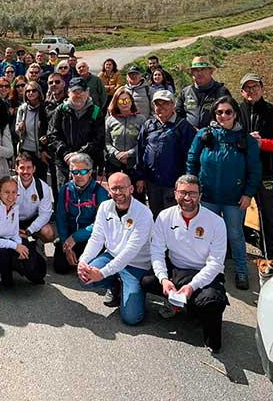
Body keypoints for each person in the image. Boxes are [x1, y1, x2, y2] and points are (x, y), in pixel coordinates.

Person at [142, 174, 228, 353]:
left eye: (192, 193)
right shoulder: (165, 216)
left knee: (212, 301)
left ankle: (195, 311)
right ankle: (179, 302)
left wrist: (192, 286)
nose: (187, 198)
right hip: (177, 269)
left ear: (200, 196)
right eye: (182, 193)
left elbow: (215, 263)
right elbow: (157, 251)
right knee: (147, 280)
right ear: (175, 194)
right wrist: (164, 279)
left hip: (204, 273)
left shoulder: (216, 222)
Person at [186, 95, 262, 290]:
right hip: (207, 197)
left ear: (235, 114)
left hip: (234, 199)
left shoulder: (246, 140)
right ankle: (205, 269)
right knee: (204, 234)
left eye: (228, 111)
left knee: (235, 234)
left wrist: (248, 194)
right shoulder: (204, 135)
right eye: (219, 112)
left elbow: (255, 170)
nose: (223, 115)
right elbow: (192, 162)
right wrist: (192, 189)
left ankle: (241, 270)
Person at [77, 172, 153, 325]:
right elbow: (97, 238)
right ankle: (115, 284)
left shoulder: (144, 213)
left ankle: (133, 289)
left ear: (131, 189)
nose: (118, 193)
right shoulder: (105, 207)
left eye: (122, 188)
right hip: (111, 256)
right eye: (114, 189)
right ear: (109, 191)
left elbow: (130, 251)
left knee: (131, 318)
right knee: (85, 277)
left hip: (135, 264)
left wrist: (102, 273)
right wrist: (83, 261)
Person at [238, 74, 273, 279]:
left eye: (255, 86)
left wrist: (262, 144)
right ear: (242, 91)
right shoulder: (235, 110)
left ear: (262, 88)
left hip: (266, 170)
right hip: (240, 171)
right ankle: (235, 255)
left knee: (268, 213)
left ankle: (271, 256)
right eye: (247, 88)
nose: (251, 91)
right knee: (237, 213)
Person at [0, 176, 47, 301]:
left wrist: (20, 246)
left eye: (14, 192)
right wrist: (15, 246)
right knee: (1, 254)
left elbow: (14, 233)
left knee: (35, 271)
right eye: (7, 192)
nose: (11, 196)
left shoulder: (14, 208)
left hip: (6, 244)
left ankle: (5, 270)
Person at [134, 90, 196, 216]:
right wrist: (140, 176)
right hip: (152, 182)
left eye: (165, 104)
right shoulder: (148, 125)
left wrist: (188, 181)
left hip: (174, 183)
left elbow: (191, 157)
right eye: (158, 104)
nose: (161, 107)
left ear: (173, 104)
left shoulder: (183, 126)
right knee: (155, 215)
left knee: (173, 217)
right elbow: (140, 151)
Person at [54, 153, 110, 274]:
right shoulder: (66, 189)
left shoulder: (100, 192)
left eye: (83, 172)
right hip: (69, 237)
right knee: (60, 267)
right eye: (75, 172)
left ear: (90, 172)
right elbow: (61, 218)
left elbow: (100, 224)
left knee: (91, 270)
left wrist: (76, 237)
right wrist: (66, 244)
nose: (79, 176)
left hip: (90, 239)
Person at [46, 77, 105, 189]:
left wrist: (79, 154)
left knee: (87, 200)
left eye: (81, 92)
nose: (78, 95)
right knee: (64, 197)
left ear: (87, 92)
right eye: (75, 92)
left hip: (87, 165)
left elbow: (99, 139)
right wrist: (66, 153)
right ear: (68, 93)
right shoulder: (61, 110)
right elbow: (52, 135)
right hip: (64, 163)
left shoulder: (96, 112)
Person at [176, 56, 231, 129]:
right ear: (192, 73)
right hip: (189, 137)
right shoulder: (185, 92)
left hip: (215, 137)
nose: (199, 73)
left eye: (203, 69)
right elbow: (178, 115)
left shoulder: (221, 92)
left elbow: (230, 116)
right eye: (196, 70)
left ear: (211, 71)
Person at [14, 152, 56, 243]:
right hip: (12, 220)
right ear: (16, 169)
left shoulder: (42, 187)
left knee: (49, 233)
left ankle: (38, 244)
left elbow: (45, 214)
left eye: (29, 168)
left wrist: (30, 230)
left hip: (32, 218)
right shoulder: (9, 185)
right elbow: (1, 211)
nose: (25, 172)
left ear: (34, 169)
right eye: (22, 168)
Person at [105, 87, 145, 178]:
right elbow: (106, 142)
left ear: (131, 101)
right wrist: (116, 153)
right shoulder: (110, 120)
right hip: (114, 162)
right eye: (121, 101)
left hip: (134, 163)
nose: (124, 103)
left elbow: (143, 142)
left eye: (126, 100)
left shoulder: (141, 119)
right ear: (116, 103)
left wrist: (129, 153)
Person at [15, 82, 50, 180]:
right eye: (28, 91)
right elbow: (17, 130)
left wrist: (46, 139)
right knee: (26, 179)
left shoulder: (45, 107)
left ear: (39, 92)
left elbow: (49, 127)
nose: (31, 93)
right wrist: (20, 128)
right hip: (26, 149)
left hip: (41, 150)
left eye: (34, 90)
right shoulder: (22, 108)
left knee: (41, 180)